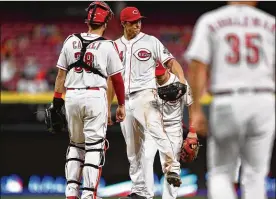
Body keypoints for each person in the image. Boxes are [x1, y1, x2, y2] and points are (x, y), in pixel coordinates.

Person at [185, 1, 275, 199]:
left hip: (227, 100)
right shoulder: (270, 23)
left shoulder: (211, 20)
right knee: (255, 175)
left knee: (221, 172)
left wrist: (196, 110)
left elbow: (197, 65)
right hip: (263, 98)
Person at [107, 7, 188, 199]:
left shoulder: (151, 41)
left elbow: (172, 63)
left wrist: (182, 82)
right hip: (124, 101)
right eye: (133, 22)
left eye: (139, 21)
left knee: (157, 132)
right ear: (124, 23)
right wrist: (109, 106)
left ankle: (172, 169)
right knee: (133, 150)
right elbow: (111, 80)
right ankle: (140, 191)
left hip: (146, 95)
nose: (138, 24)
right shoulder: (114, 46)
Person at [52, 2, 126, 199]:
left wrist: (56, 103)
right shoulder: (108, 46)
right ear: (106, 22)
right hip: (94, 96)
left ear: (88, 21)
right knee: (94, 146)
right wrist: (121, 104)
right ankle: (88, 194)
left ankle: (71, 193)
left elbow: (60, 76)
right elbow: (117, 79)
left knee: (76, 145)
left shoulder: (70, 41)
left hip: (72, 96)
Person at [138, 62, 197, 199]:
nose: (158, 76)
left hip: (173, 128)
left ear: (168, 69)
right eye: (155, 74)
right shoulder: (148, 83)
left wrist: (192, 130)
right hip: (152, 128)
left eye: (160, 73)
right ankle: (146, 196)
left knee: (172, 169)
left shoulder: (180, 83)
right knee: (145, 159)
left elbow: (191, 106)